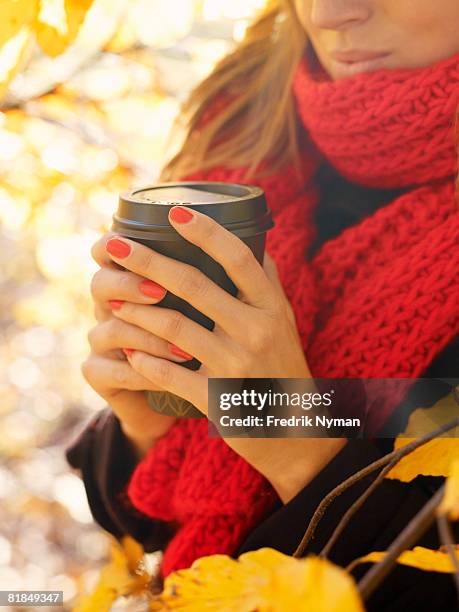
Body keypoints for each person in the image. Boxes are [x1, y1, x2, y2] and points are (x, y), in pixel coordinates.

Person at [66, 1, 459, 609]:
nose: (328, 14)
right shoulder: (247, 119)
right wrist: (147, 428)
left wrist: (294, 446)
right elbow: (145, 536)